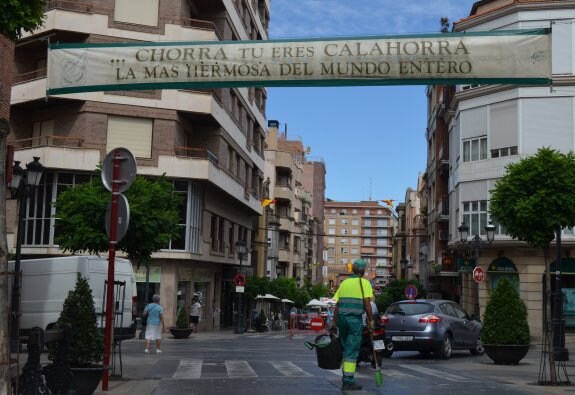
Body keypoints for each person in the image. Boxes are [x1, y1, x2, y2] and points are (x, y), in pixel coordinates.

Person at [331, 259, 374, 391]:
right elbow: (367, 304)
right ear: (363, 271)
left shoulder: (344, 283)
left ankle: (346, 378)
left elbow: (337, 305)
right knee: (352, 350)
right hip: (354, 321)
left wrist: (334, 321)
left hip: (342, 320)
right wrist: (371, 320)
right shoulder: (364, 283)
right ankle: (348, 381)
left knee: (345, 348)